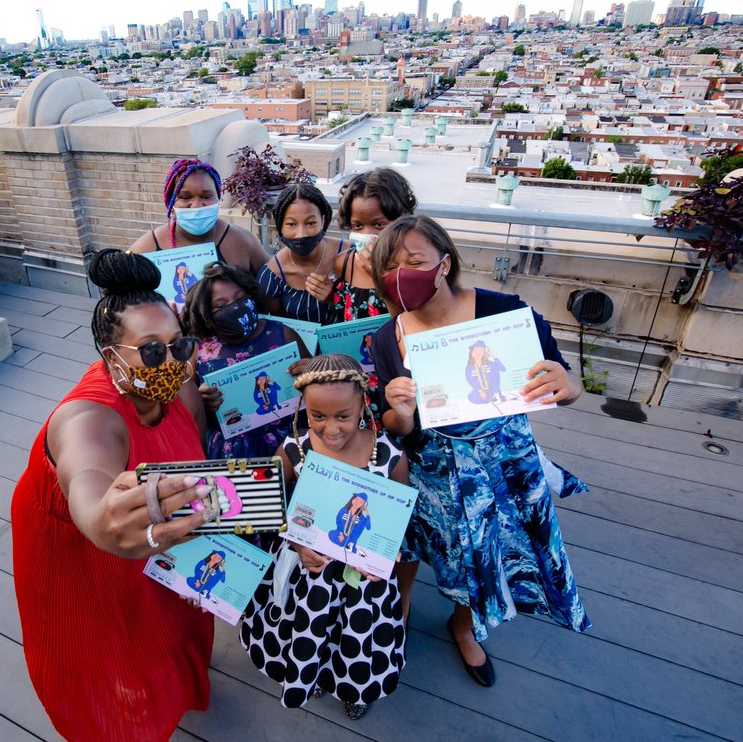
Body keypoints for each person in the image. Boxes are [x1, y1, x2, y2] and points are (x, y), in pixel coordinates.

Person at [369, 215, 590, 689]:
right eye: (390, 267)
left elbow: (567, 384)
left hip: (498, 469)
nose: (403, 273)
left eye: (415, 261)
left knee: (482, 553)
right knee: (412, 543)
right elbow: (397, 429)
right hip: (429, 468)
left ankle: (464, 625)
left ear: (444, 263)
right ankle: (400, 609)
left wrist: (567, 384)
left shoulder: (505, 313)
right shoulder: (388, 338)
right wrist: (401, 412)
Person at [11, 249, 216, 742]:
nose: (170, 360)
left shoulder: (179, 385)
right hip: (80, 551)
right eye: (149, 350)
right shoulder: (90, 419)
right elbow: (87, 477)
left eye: (178, 344)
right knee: (106, 650)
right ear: (110, 358)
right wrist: (100, 516)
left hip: (156, 537)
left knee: (165, 622)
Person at [240, 355, 414, 721]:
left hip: (363, 580)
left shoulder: (387, 455)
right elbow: (271, 500)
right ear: (305, 407)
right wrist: (298, 541)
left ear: (362, 406)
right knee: (304, 627)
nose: (330, 429)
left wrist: (388, 550)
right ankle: (312, 672)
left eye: (343, 417)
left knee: (356, 635)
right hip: (308, 571)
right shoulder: (295, 449)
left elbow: (400, 512)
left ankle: (355, 686)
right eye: (318, 416)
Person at [183, 263, 311, 460]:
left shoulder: (282, 333)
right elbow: (184, 408)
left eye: (240, 298)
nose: (234, 307)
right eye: (221, 305)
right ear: (206, 315)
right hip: (234, 452)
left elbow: (317, 378)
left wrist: (309, 373)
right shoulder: (197, 351)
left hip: (290, 440)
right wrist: (200, 401)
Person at [129, 159, 268, 274]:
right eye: (185, 197)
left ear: (218, 199)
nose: (196, 205)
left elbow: (272, 286)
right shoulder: (147, 248)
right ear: (171, 203)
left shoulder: (242, 241)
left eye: (206, 196)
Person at [331, 168, 418, 321]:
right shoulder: (343, 264)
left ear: (401, 221)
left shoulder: (414, 268)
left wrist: (382, 279)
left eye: (379, 225)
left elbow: (412, 324)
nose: (366, 235)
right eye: (357, 226)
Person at [257, 184, 346, 324]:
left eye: (310, 223)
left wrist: (334, 299)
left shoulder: (349, 255)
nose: (301, 234)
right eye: (291, 224)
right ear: (280, 226)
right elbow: (278, 324)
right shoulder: (273, 275)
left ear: (323, 220)